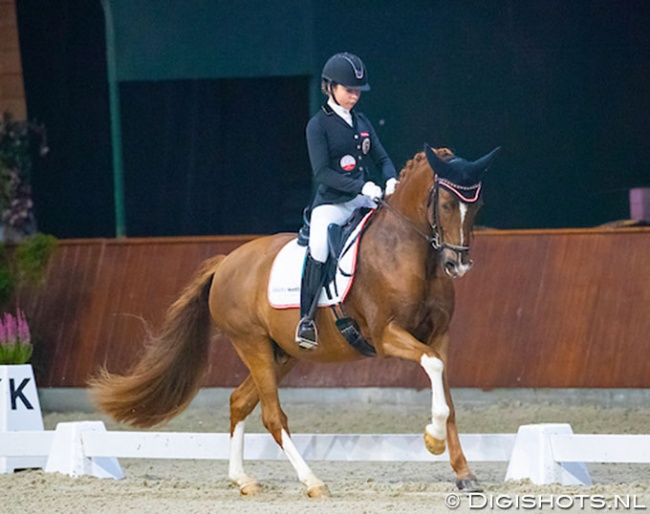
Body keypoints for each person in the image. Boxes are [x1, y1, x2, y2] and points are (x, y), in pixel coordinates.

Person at [295, 52, 399, 350]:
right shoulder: (318, 126)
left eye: (357, 92)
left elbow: (381, 157)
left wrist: (390, 178)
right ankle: (306, 319)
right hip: (332, 204)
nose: (354, 96)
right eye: (348, 90)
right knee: (318, 248)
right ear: (330, 87)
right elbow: (323, 173)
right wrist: (361, 187)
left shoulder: (362, 121)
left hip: (363, 200)